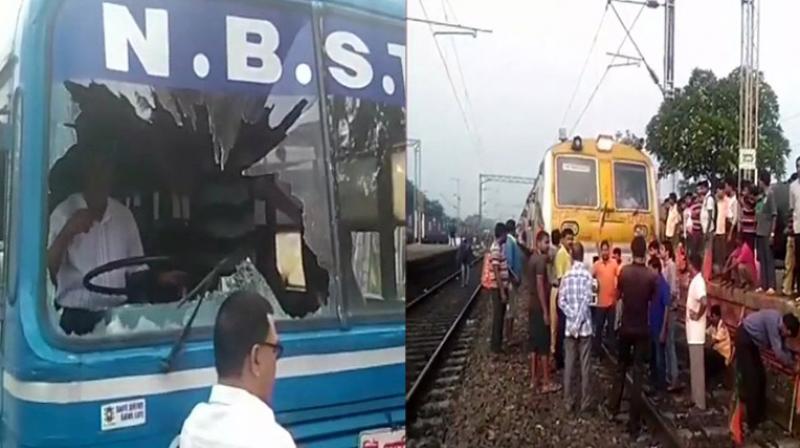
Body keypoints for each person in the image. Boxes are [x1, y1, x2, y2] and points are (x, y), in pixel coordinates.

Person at [48, 149, 185, 335]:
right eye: (95, 169)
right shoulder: (63, 213)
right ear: (84, 173)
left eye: (106, 169)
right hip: (76, 320)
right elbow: (51, 270)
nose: (101, 176)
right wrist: (67, 232)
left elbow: (137, 271)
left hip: (119, 320)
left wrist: (159, 279)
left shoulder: (123, 216)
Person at [179, 291, 295, 448]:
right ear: (256, 358)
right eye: (275, 350)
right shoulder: (273, 440)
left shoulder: (192, 428)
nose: (276, 361)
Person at [608, 236, 657, 436]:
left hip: (626, 328)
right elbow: (652, 299)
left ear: (632, 249)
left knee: (620, 368)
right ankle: (634, 421)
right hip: (642, 330)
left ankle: (613, 408)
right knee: (638, 375)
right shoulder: (651, 276)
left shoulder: (624, 273)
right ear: (644, 252)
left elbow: (617, 295)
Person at [736, 309, 799, 431]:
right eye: (788, 334)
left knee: (761, 377)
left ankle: (760, 415)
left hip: (752, 344)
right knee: (752, 380)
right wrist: (793, 365)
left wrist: (792, 358)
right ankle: (752, 422)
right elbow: (779, 353)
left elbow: (783, 348)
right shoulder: (773, 323)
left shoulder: (780, 325)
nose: (787, 337)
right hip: (744, 340)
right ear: (786, 328)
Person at [558, 242, 593, 414]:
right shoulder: (588, 276)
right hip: (585, 327)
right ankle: (585, 402)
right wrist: (579, 320)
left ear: (572, 256)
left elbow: (561, 301)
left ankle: (568, 402)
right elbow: (587, 301)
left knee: (569, 365)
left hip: (570, 329)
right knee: (585, 366)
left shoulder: (566, 276)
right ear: (583, 255)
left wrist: (572, 319)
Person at [526, 231, 560, 394]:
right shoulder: (539, 261)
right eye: (546, 242)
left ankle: (534, 379)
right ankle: (546, 382)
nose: (548, 245)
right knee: (544, 346)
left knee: (533, 345)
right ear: (538, 242)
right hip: (540, 308)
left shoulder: (532, 258)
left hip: (531, 306)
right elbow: (540, 286)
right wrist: (546, 311)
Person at [685, 252, 708, 410]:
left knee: (697, 368)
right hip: (692, 333)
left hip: (696, 333)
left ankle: (700, 402)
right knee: (694, 367)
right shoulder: (695, 281)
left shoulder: (699, 282)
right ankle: (695, 398)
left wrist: (697, 314)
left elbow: (704, 302)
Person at [552, 228, 574, 370]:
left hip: (566, 294)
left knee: (564, 326)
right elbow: (561, 278)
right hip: (563, 294)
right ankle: (559, 358)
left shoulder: (567, 253)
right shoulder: (561, 254)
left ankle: (562, 356)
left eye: (572, 239)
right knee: (561, 327)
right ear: (562, 240)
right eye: (568, 239)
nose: (570, 241)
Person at [592, 240, 618, 357]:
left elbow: (619, 278)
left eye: (607, 249)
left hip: (612, 302)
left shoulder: (614, 264)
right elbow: (590, 278)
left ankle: (612, 350)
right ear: (601, 251)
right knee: (599, 328)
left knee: (611, 328)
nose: (605, 252)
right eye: (603, 249)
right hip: (600, 303)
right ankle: (597, 350)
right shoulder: (597, 265)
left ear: (609, 250)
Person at [648, 257, 670, 395]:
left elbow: (667, 308)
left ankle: (660, 385)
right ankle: (654, 382)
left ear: (656, 269)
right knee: (653, 357)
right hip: (652, 325)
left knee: (659, 358)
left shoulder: (663, 286)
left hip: (659, 326)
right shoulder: (653, 285)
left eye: (651, 269)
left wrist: (663, 330)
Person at [660, 242, 681, 391]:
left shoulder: (671, 266)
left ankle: (674, 377)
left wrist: (669, 302)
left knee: (670, 342)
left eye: (661, 249)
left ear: (667, 251)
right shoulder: (665, 266)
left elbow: (673, 289)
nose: (660, 252)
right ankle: (669, 376)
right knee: (667, 342)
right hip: (666, 307)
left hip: (670, 308)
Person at [488, 223, 510, 354]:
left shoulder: (499, 247)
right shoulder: (496, 248)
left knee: (500, 316)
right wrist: (502, 291)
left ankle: (497, 344)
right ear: (502, 234)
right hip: (497, 288)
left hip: (499, 288)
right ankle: (496, 347)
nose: (507, 236)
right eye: (506, 233)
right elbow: (496, 270)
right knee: (498, 317)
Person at [755, 170, 778, 294]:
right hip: (759, 231)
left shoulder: (770, 195)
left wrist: (772, 233)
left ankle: (771, 285)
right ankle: (763, 284)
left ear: (763, 180)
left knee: (769, 259)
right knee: (762, 259)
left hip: (767, 231)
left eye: (759, 180)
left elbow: (774, 214)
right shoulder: (762, 197)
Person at [504, 219, 525, 344]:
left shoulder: (511, 241)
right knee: (510, 311)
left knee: (511, 310)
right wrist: (514, 278)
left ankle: (509, 336)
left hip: (512, 281)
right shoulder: (510, 242)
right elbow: (508, 264)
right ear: (512, 229)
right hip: (511, 282)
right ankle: (509, 337)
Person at [705, 305, 732, 389]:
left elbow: (713, 342)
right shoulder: (713, 326)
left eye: (713, 317)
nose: (711, 319)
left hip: (723, 355)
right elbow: (704, 333)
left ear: (717, 316)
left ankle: (708, 382)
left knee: (707, 354)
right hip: (716, 353)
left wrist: (705, 345)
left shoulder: (722, 327)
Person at [714, 184, 729, 276]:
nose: (718, 192)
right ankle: (720, 272)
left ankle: (725, 272)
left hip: (724, 231)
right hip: (717, 231)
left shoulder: (727, 201)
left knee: (724, 253)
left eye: (720, 190)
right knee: (718, 254)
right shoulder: (717, 202)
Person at [741, 183, 758, 252]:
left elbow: (748, 206)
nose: (744, 192)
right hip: (745, 229)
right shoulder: (746, 200)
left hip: (750, 230)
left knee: (749, 250)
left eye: (746, 190)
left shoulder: (752, 201)